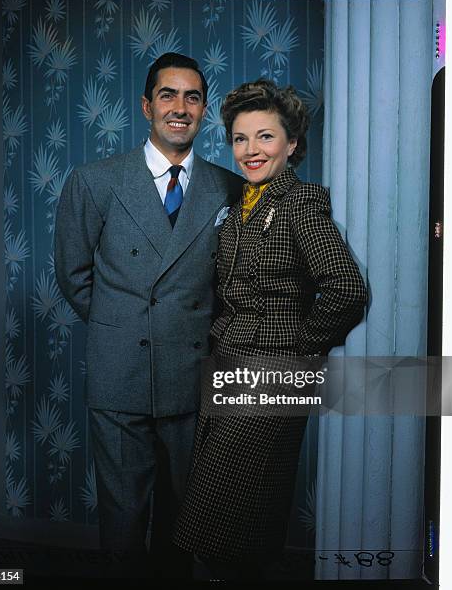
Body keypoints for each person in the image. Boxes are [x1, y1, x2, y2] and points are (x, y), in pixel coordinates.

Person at [53, 52, 242, 578]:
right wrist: (126, 326)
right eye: (168, 95)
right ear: (146, 106)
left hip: (194, 374)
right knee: (124, 520)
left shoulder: (230, 189)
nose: (179, 107)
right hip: (121, 374)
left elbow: (235, 285)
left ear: (204, 110)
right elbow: (74, 275)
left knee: (191, 518)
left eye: (192, 97)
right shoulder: (94, 181)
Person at [172, 79, 368, 580]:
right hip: (229, 370)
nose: (251, 150)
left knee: (228, 518)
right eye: (240, 138)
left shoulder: (301, 204)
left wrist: (298, 352)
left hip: (272, 377)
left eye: (265, 136)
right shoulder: (240, 206)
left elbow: (346, 289)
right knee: (231, 518)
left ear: (292, 143)